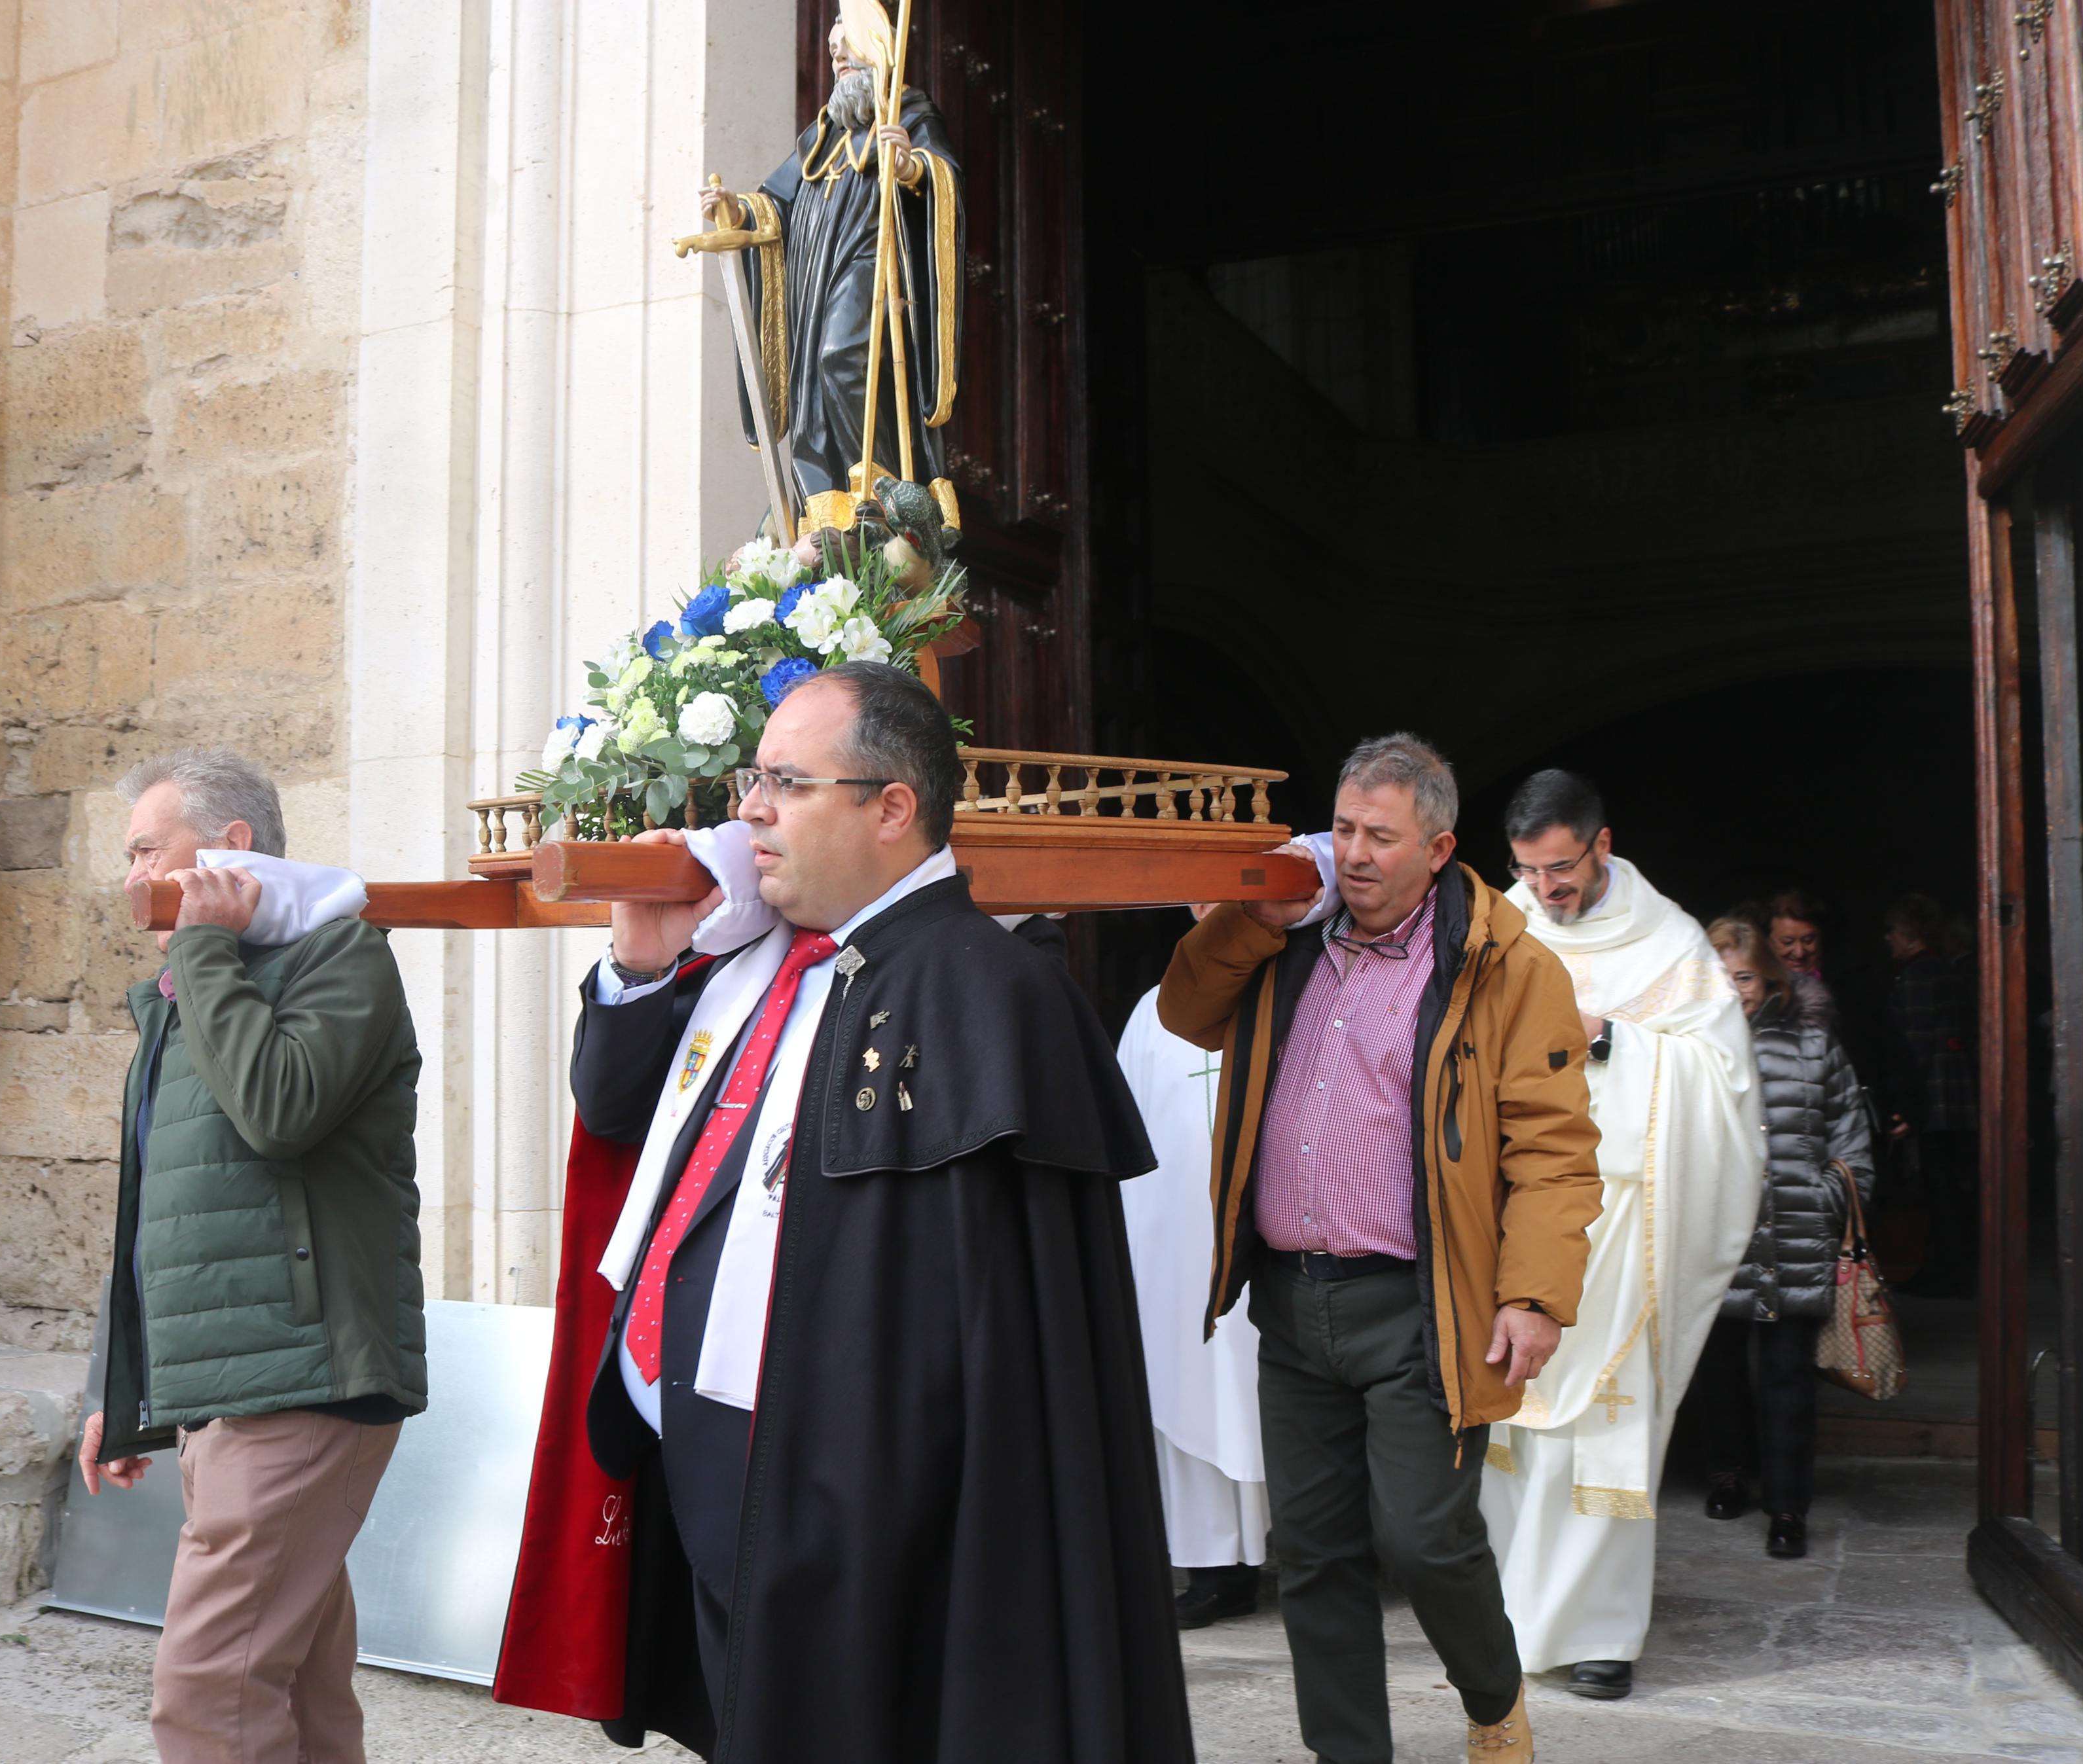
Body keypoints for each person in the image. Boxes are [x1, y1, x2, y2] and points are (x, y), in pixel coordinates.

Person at [498, 661, 1193, 1762]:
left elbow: (997, 1339)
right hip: (703, 1439)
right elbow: (614, 1106)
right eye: (750, 781)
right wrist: (642, 956)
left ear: (891, 807)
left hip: (852, 1488)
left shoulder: (991, 995)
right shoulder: (746, 960)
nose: (750, 811)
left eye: (785, 782)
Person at [1159, 732, 1604, 1764]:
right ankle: (1345, 1750)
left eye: (1379, 837)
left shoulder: (1504, 965)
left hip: (1420, 1303)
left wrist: (1533, 1294)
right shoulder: (1285, 934)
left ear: (1438, 847)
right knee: (1311, 1552)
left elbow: (1553, 1149)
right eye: (1343, 827)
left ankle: (1491, 1696)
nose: (1351, 853)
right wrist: (1250, 915)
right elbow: (1186, 1012)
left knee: (1424, 1537)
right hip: (1288, 1298)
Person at [78, 747, 427, 1764]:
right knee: (304, 1692)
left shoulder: (338, 955)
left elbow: (279, 1110)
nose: (131, 875)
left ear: (232, 846)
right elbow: (164, 1207)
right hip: (239, 1385)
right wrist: (127, 1382)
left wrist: (203, 953)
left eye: (148, 848)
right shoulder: (191, 987)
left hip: (306, 1378)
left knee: (208, 1699)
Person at [1483, 769, 1763, 1701]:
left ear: (1601, 844)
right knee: (1511, 1418)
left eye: (1559, 868)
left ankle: (1598, 1633)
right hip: (1515, 1210)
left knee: (1604, 1425)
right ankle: (1503, 1614)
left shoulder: (1670, 941)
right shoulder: (1501, 924)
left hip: (1624, 1224)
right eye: (1527, 869)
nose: (1545, 888)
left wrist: (1610, 1036)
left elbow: (1722, 1081)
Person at [702, 3, 961, 503]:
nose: (839, 60)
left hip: (872, 263)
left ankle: (884, 487)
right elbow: (775, 202)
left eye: (850, 51)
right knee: (814, 382)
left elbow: (940, 178)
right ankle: (829, 498)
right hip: (816, 279)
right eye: (834, 55)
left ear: (877, 50)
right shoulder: (821, 136)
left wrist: (910, 169)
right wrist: (737, 210)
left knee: (841, 357)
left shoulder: (909, 115)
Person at [1692, 918, 1876, 1558]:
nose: (1732, 988)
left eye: (1742, 974)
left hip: (1795, 1231)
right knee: (1715, 1370)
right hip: (1712, 1237)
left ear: (1768, 976)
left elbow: (1851, 1137)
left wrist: (1826, 1202)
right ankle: (1725, 1474)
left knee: (1786, 1378)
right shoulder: (1684, 1046)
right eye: (1718, 973)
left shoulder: (1812, 1045)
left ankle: (1786, 1505)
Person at [1115, 977, 1271, 1629]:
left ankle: (1325, 1554)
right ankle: (1212, 1568)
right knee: (1188, 1387)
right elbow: (1124, 1126)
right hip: (1176, 1238)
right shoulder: (1154, 1007)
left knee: (1273, 1391)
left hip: (1269, 1232)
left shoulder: (1291, 986)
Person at [1881, 892, 1979, 1296]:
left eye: (1891, 931)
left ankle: (1949, 1273)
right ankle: (1946, 1268)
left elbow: (1915, 1042)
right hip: (1952, 1098)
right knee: (1949, 1188)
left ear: (1909, 933)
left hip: (1936, 1101)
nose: (1886, 938)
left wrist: (1905, 1101)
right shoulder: (1940, 969)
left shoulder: (1919, 974)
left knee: (1941, 1190)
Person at [1764, 888, 1845, 1036]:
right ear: (1769, 943)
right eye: (1787, 942)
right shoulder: (1760, 993)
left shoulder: (1844, 986)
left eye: (1809, 941)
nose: (1799, 953)